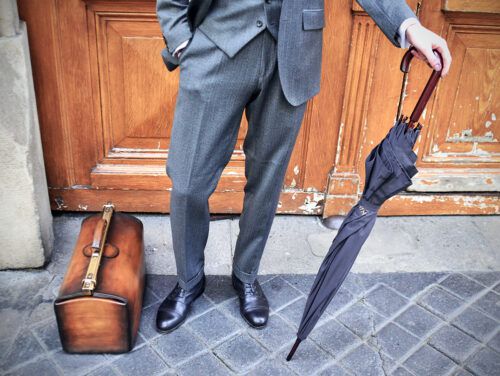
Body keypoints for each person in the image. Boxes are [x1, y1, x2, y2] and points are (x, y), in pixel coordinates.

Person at [154, 0, 452, 334]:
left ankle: (246, 276)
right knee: (188, 181)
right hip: (216, 45)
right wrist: (181, 40)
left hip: (292, 55)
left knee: (267, 180)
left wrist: (410, 27)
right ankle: (189, 281)